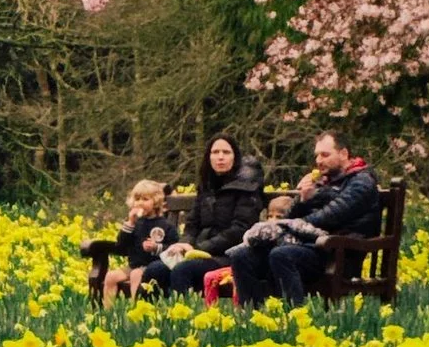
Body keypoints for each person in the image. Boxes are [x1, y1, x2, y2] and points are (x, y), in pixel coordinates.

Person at [221, 131, 384, 307]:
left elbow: (332, 215)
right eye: (317, 155)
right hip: (309, 246)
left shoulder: (362, 182)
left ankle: (295, 318)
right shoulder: (324, 180)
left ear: (344, 154)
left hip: (337, 253)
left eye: (325, 155)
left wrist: (296, 220)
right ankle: (253, 320)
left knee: (282, 255)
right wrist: (303, 200)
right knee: (241, 256)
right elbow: (290, 217)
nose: (319, 161)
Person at [143, 135, 269, 297]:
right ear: (208, 157)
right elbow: (192, 225)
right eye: (215, 152)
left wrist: (198, 248)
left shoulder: (247, 188)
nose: (220, 157)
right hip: (198, 253)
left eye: (226, 152)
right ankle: (154, 319)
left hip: (228, 255)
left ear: (235, 157)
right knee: (155, 270)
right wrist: (183, 244)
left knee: (183, 270)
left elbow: (239, 230)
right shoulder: (206, 186)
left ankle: (185, 318)